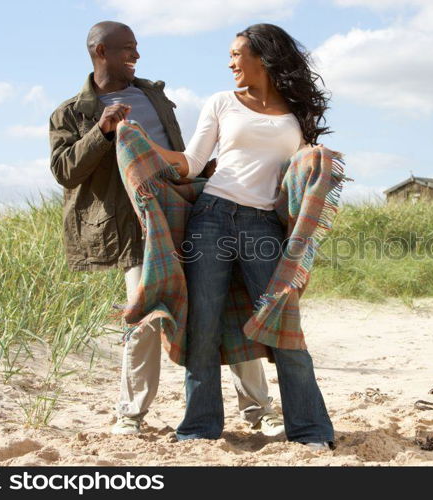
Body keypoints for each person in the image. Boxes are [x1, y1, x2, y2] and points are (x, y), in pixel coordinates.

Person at [49, 21, 283, 437]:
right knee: (147, 315)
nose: (135, 56)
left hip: (191, 212)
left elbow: (184, 156)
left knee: (232, 302)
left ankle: (259, 409)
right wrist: (102, 132)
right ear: (100, 52)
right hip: (135, 226)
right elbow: (65, 171)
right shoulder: (71, 112)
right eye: (126, 49)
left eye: (136, 48)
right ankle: (131, 414)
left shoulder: (153, 96)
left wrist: (204, 170)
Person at [137, 23, 335, 449]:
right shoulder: (222, 102)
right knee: (203, 327)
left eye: (236, 54)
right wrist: (138, 145)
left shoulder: (295, 113)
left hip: (264, 226)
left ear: (261, 57)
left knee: (286, 327)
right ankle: (198, 427)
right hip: (212, 217)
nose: (230, 63)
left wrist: (314, 164)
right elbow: (191, 162)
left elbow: (297, 171)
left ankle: (311, 430)